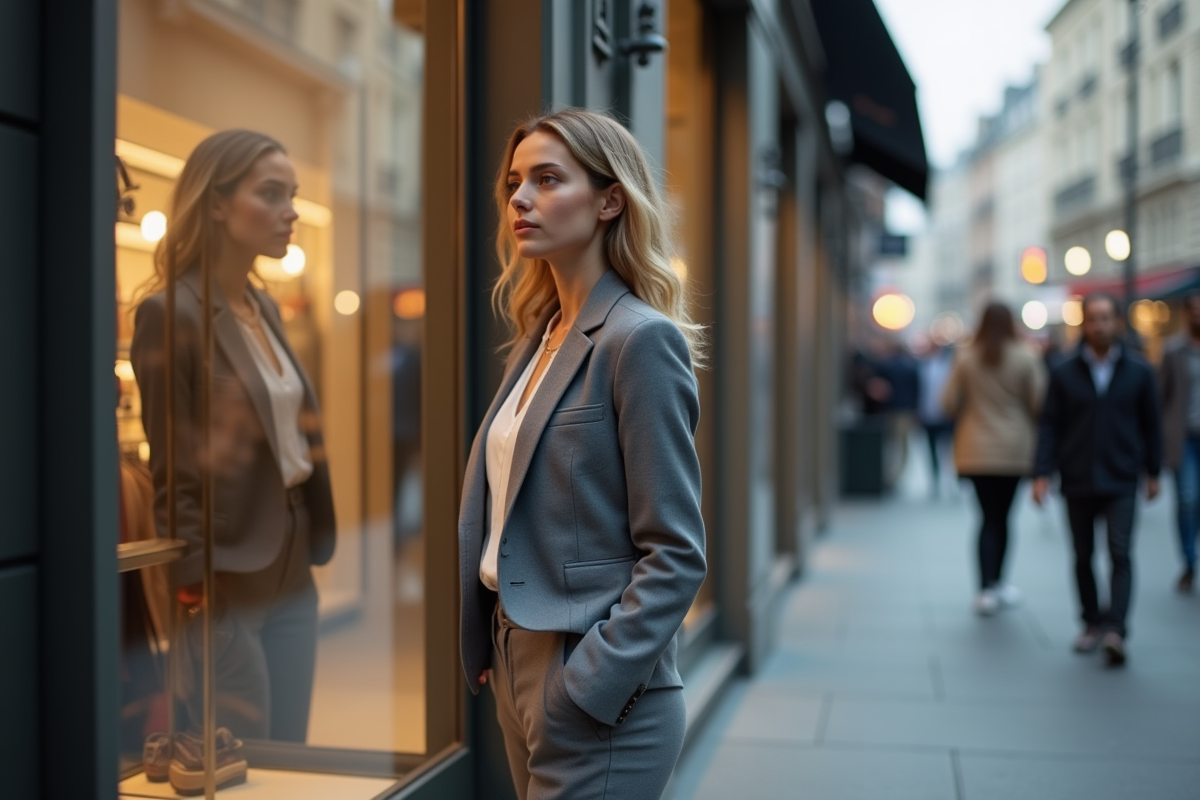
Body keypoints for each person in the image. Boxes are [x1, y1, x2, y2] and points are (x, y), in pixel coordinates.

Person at [457, 108, 707, 800]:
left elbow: (677, 552)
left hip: (595, 679)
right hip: (518, 657)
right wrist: (494, 643)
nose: (519, 198)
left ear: (608, 200)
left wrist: (589, 681)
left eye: (546, 179)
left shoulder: (639, 340)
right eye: (514, 181)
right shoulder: (541, 336)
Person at [131, 131, 337, 760]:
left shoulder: (264, 306)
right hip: (225, 570)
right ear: (217, 203)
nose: (290, 211)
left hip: (294, 552)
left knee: (291, 752)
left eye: (292, 195)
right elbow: (173, 467)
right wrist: (192, 587)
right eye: (270, 194)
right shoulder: (173, 314)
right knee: (240, 752)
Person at [1032, 293, 1162, 667]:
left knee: (1120, 552)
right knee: (1083, 555)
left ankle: (1116, 629)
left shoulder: (1139, 372)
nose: (1100, 325)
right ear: (1083, 323)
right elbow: (1049, 426)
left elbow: (1151, 425)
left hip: (1121, 476)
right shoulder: (1063, 371)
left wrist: (1152, 472)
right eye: (1093, 318)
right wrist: (1041, 474)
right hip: (1078, 476)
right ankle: (1091, 621)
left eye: (1106, 318)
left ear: (1117, 322)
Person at [942, 303, 1045, 615]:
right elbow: (1039, 402)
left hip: (975, 449)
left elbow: (948, 402)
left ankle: (985, 588)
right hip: (1014, 449)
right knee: (1003, 518)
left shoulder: (966, 357)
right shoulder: (1027, 357)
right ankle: (997, 584)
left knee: (986, 518)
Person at [1159, 291, 1200, 593]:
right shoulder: (1174, 351)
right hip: (1184, 437)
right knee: (1187, 499)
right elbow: (1160, 398)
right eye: (1194, 310)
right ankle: (1188, 560)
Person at [916, 338, 956, 497]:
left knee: (948, 451)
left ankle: (951, 482)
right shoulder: (922, 366)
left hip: (946, 415)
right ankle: (935, 481)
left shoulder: (950, 366)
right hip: (928, 414)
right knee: (931, 450)